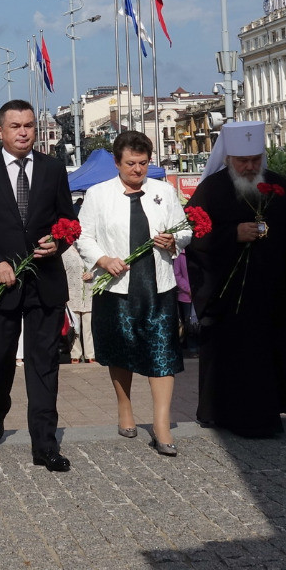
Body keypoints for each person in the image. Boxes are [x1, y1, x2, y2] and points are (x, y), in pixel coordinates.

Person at [0, 99, 75, 472]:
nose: (23, 132)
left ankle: (44, 444)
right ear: (0, 131)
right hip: (2, 284)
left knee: (43, 364)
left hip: (45, 283)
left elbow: (68, 223)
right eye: (16, 126)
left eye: (28, 126)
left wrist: (60, 242)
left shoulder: (54, 169)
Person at [186, 121, 286, 438]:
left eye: (255, 159)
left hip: (273, 291)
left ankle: (270, 414)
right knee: (237, 357)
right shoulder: (211, 189)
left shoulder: (280, 187)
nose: (250, 166)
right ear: (228, 158)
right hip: (229, 295)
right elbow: (191, 236)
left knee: (269, 354)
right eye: (243, 160)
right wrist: (231, 235)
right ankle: (229, 415)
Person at [77, 131, 191, 455]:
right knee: (121, 348)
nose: (137, 169)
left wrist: (175, 241)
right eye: (131, 163)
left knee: (162, 353)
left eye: (143, 163)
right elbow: (83, 236)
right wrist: (102, 259)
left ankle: (161, 425)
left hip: (159, 285)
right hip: (117, 285)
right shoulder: (98, 195)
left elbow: (185, 230)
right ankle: (124, 406)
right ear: (117, 162)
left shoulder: (165, 192)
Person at [63, 242, 92, 363]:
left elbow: (97, 267)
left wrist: (92, 274)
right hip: (72, 293)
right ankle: (75, 353)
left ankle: (90, 354)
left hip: (88, 293)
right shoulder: (65, 252)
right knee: (75, 326)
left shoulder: (88, 250)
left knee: (88, 326)